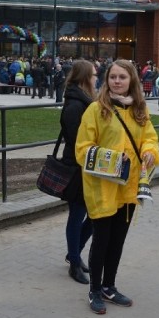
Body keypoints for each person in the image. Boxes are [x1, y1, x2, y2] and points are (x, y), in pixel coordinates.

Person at [76, 59, 159, 315]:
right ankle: (95, 289)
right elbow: (83, 148)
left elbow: (150, 139)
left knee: (117, 241)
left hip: (129, 188)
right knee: (101, 240)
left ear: (131, 80)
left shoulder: (139, 110)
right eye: (113, 76)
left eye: (122, 77)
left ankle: (109, 286)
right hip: (102, 188)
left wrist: (149, 152)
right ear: (106, 79)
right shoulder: (96, 109)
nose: (117, 81)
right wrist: (111, 158)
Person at [59, 60, 96, 285]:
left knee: (94, 215)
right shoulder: (75, 105)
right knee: (77, 215)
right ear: (84, 78)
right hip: (78, 168)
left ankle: (75, 252)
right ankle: (74, 261)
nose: (96, 79)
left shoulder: (85, 101)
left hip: (89, 167)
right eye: (93, 75)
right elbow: (76, 141)